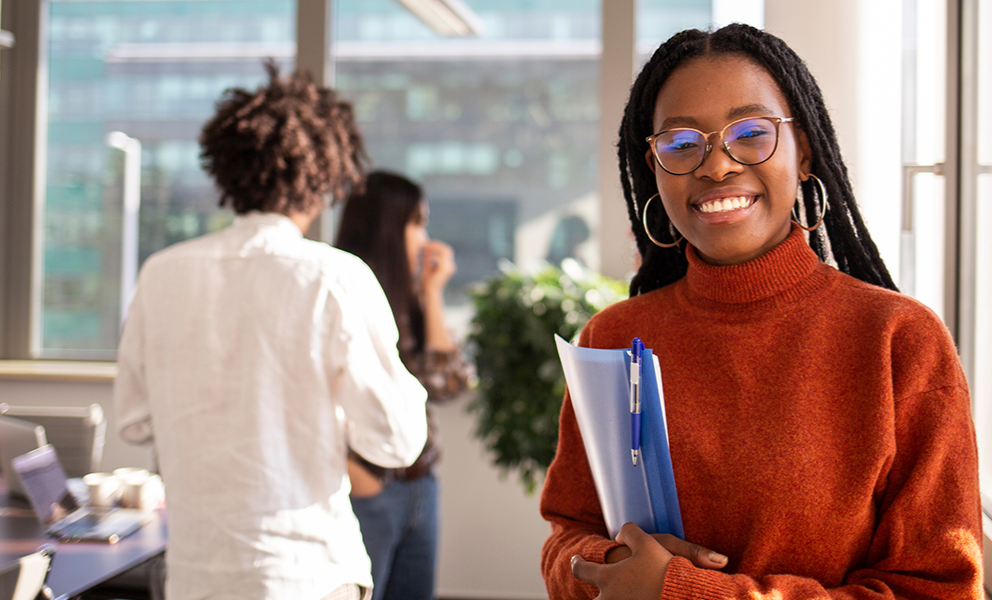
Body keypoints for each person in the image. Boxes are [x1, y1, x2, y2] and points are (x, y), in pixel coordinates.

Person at [540, 24, 983, 599]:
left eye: (750, 133)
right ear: (653, 168)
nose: (717, 166)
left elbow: (940, 589)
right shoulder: (613, 337)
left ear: (805, 154)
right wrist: (612, 563)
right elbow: (565, 538)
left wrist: (680, 591)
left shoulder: (899, 340)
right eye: (680, 144)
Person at [114, 64, 428, 600]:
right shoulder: (335, 277)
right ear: (326, 174)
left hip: (196, 575)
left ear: (225, 169)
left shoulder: (161, 273)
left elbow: (136, 422)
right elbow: (397, 441)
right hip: (305, 572)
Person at [334, 170, 470, 600]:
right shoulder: (338, 293)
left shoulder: (410, 295)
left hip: (420, 485)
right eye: (416, 222)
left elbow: (448, 384)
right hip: (368, 492)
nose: (425, 236)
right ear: (388, 226)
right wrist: (357, 475)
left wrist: (432, 292)